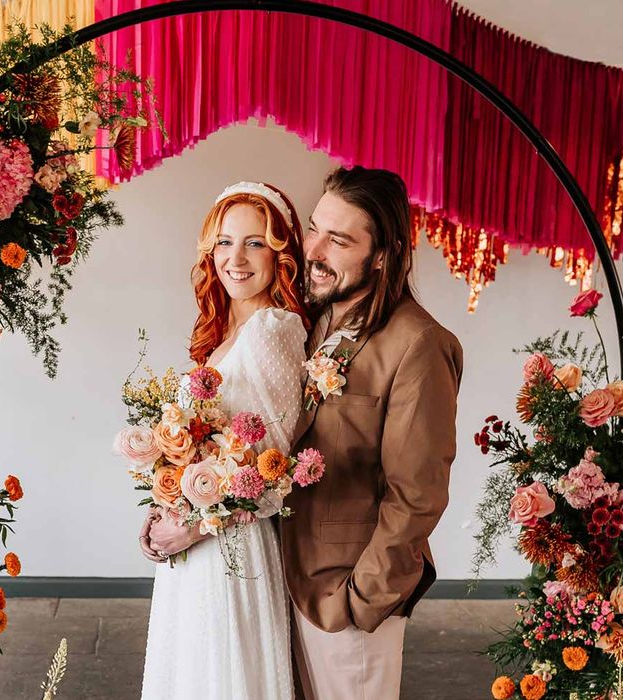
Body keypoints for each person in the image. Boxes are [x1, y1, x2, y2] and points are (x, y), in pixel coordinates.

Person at [281, 166, 464, 699]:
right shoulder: (312, 319)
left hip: (349, 598)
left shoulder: (420, 344)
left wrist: (361, 601)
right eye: (315, 228)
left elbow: (416, 494)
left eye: (338, 240)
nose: (314, 250)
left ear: (383, 255)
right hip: (284, 582)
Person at [139, 181, 309, 699]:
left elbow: (275, 473)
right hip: (194, 544)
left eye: (255, 242)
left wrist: (196, 529)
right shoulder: (224, 333)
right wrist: (162, 501)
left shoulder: (272, 330)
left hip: (231, 549)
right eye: (225, 242)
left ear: (280, 254)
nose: (236, 258)